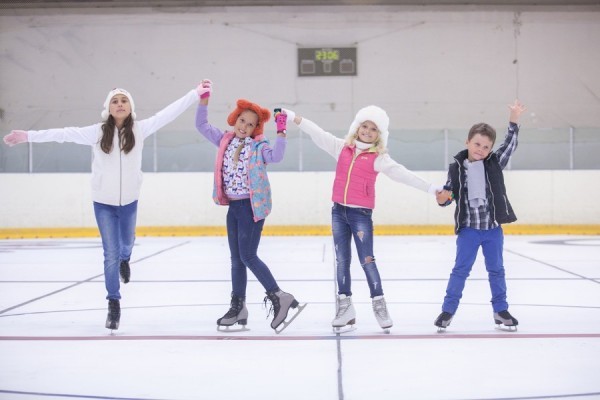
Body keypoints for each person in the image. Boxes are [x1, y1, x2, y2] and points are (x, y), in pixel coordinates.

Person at [3, 84, 206, 331]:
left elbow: (168, 113)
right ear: (108, 108)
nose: (119, 104)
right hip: (103, 203)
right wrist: (28, 136)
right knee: (110, 252)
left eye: (124, 100)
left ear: (130, 106)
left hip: (129, 201)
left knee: (127, 243)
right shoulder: (97, 133)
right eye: (115, 101)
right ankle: (113, 302)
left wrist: (195, 93)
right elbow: (64, 133)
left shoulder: (140, 129)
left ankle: (125, 259)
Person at [282, 106, 441, 333]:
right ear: (357, 127)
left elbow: (403, 174)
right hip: (338, 212)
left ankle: (379, 304)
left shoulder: (379, 159)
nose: (367, 131)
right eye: (364, 126)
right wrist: (295, 118)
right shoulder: (341, 148)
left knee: (367, 260)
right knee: (342, 260)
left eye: (373, 129)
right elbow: (318, 133)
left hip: (361, 215)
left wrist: (432, 189)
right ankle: (345, 307)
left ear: (380, 135)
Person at [195, 80, 305, 334]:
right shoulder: (224, 140)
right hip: (233, 207)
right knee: (236, 260)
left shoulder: (259, 147)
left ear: (257, 128)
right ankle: (238, 307)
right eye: (242, 120)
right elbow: (201, 125)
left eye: (250, 124)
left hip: (251, 208)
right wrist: (203, 101)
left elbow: (276, 157)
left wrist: (281, 131)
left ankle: (279, 296)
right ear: (235, 119)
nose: (244, 126)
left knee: (248, 256)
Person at [434, 99, 526, 332]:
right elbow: (449, 194)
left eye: (486, 147)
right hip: (469, 231)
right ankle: (447, 311)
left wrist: (514, 120)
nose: (481, 150)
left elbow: (509, 146)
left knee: (496, 270)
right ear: (467, 142)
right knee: (460, 270)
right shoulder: (456, 168)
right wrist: (443, 199)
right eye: (477, 144)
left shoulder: (493, 163)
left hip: (492, 230)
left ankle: (500, 310)